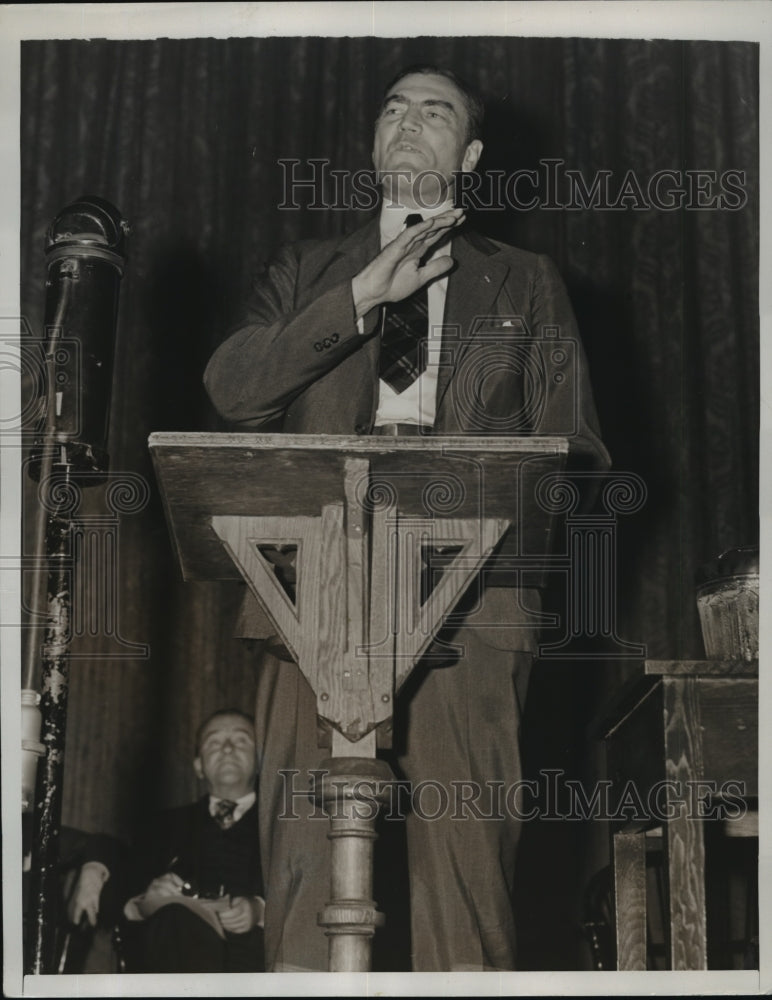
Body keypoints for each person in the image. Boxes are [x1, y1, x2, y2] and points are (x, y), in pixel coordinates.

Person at [204, 65, 610, 972]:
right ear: (374, 143)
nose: (408, 122)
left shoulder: (527, 281)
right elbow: (232, 393)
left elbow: (573, 449)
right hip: (313, 586)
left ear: (467, 155)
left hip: (477, 598)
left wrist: (500, 544)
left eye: (435, 112)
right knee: (306, 872)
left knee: (465, 889)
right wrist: (362, 300)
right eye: (393, 108)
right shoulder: (306, 270)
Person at [121, 709, 265, 973]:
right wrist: (146, 901)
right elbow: (124, 893)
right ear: (199, 766)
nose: (228, 748)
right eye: (214, 742)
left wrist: (260, 910)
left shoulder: (282, 828)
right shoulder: (160, 826)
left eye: (242, 740)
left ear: (259, 761)